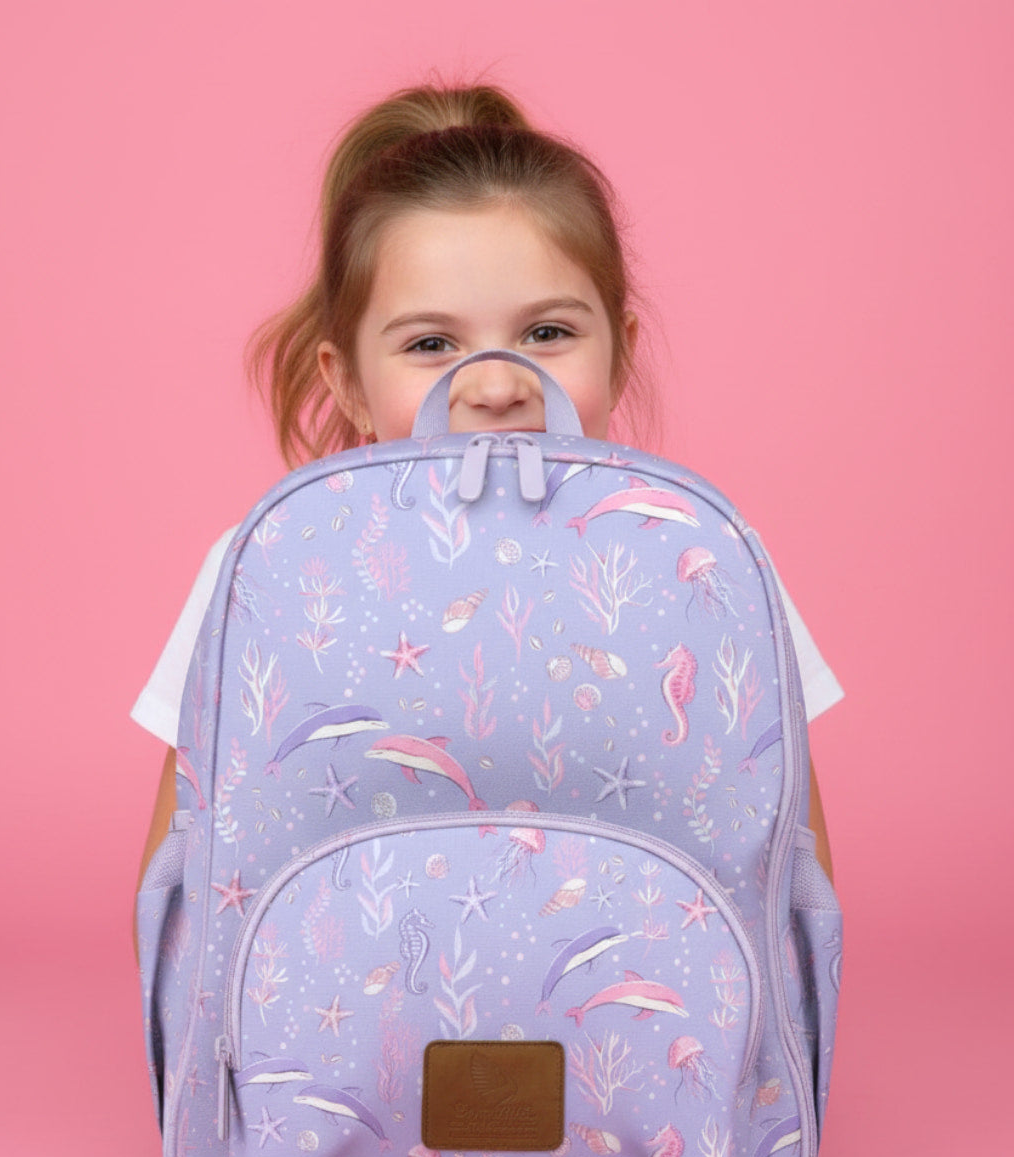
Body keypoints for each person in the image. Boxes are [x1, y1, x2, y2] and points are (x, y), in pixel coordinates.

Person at [132, 82, 843, 901]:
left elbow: (798, 863)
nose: (498, 383)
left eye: (548, 333)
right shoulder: (263, 568)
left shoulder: (696, 556)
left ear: (619, 349)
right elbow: (180, 871)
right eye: (432, 343)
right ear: (349, 382)